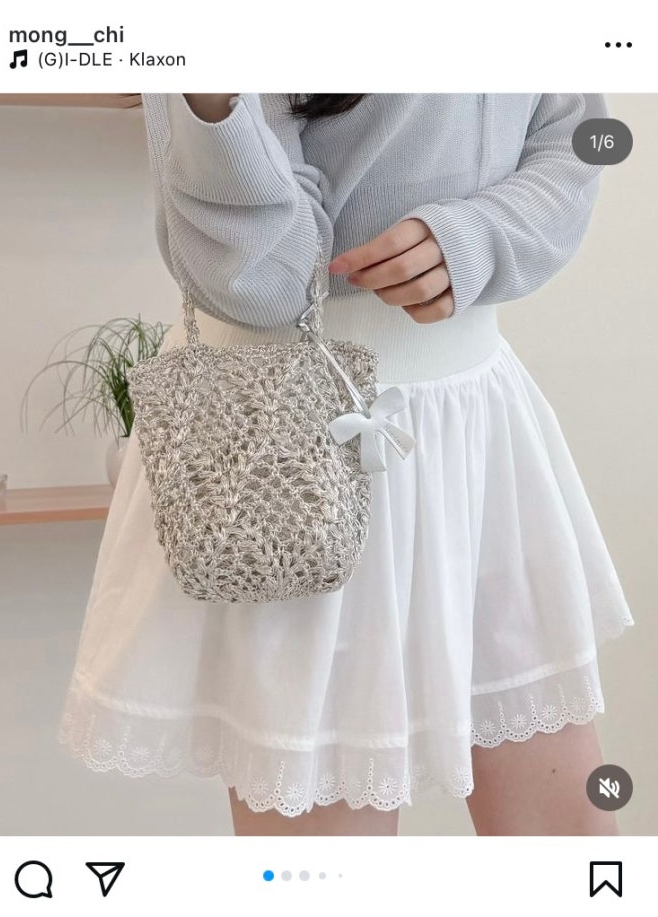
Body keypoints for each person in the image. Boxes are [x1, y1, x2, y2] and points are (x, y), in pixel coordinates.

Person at [58, 93, 634, 836]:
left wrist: (476, 237)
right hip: (286, 447)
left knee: (573, 839)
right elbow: (262, 283)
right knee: (327, 861)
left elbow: (574, 136)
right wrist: (214, 106)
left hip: (473, 431)